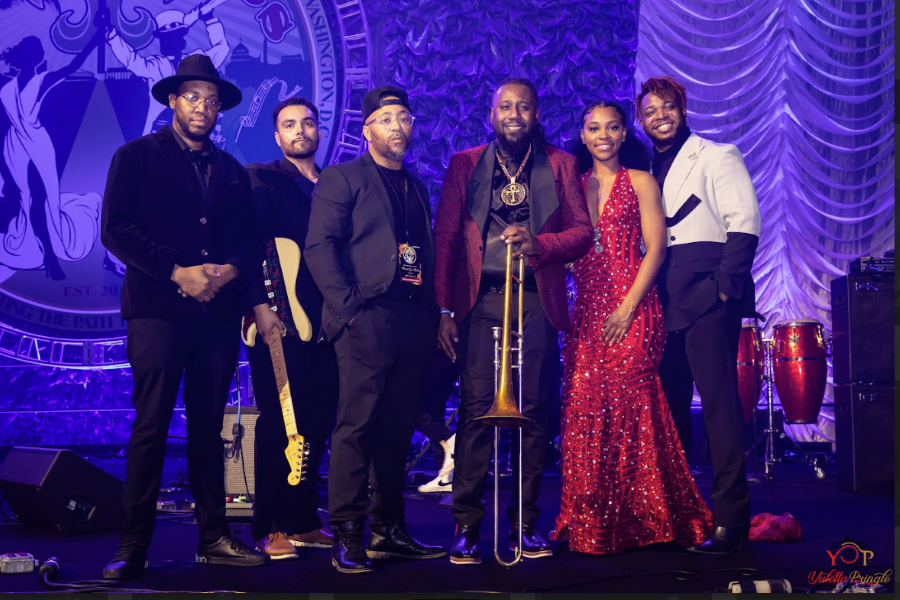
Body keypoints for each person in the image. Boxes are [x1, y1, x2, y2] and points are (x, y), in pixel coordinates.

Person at [99, 54, 268, 579]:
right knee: (150, 426)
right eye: (192, 97)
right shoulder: (136, 156)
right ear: (173, 100)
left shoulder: (232, 170)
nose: (202, 107)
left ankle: (214, 536)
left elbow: (251, 240)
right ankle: (132, 546)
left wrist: (229, 271)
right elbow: (116, 229)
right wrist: (176, 271)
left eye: (211, 100)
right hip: (157, 313)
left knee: (208, 429)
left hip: (215, 317)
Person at [434, 78, 593, 565]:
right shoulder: (465, 163)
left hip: (535, 301)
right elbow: (444, 240)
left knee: (535, 413)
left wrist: (540, 244)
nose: (514, 114)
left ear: (536, 114)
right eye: (506, 106)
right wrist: (443, 309)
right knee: (476, 413)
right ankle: (466, 526)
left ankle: (525, 525)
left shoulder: (562, 165)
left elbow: (582, 233)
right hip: (479, 302)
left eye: (523, 107)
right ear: (492, 114)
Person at [549, 100, 713, 554]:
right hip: (586, 311)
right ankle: (595, 520)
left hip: (635, 306)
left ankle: (650, 517)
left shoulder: (641, 181)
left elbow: (656, 250)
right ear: (583, 136)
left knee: (633, 405)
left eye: (612, 127)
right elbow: (568, 247)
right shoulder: (571, 188)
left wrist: (627, 307)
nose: (603, 135)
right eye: (594, 128)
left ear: (624, 134)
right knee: (586, 408)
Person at [305, 85, 445, 574]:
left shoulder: (416, 186)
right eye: (386, 119)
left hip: (412, 319)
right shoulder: (343, 177)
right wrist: (348, 310)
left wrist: (433, 313)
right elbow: (319, 247)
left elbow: (422, 253)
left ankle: (389, 528)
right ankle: (348, 533)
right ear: (367, 130)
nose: (397, 126)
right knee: (356, 427)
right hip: (366, 317)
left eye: (404, 117)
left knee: (397, 427)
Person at [636, 76, 761, 554]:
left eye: (667, 107)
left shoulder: (717, 154)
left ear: (683, 109)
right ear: (641, 121)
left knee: (718, 406)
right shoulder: (642, 168)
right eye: (650, 111)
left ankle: (731, 520)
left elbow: (744, 222)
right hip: (661, 301)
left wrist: (724, 289)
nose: (660, 116)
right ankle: (680, 515)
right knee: (668, 412)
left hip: (707, 295)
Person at [242, 97, 339, 560]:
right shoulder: (263, 179)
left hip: (328, 324)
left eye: (308, 122)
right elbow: (248, 246)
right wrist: (260, 307)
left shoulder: (336, 184)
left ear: (319, 130)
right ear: (277, 136)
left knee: (317, 421)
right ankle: (269, 526)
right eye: (289, 124)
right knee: (280, 422)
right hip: (278, 321)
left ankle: (302, 521)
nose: (300, 130)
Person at [415, 349, 458, 493]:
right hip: (447, 356)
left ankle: (449, 437)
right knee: (433, 412)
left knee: (405, 406)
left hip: (436, 353)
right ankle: (447, 478)